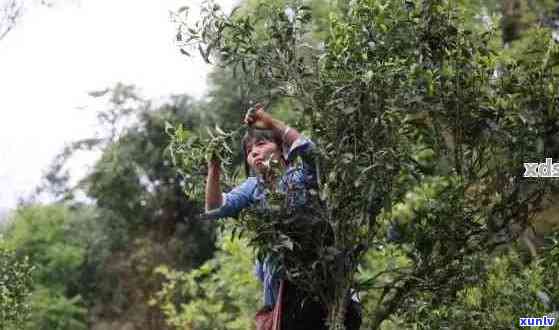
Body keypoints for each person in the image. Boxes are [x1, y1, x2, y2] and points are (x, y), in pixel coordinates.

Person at [203, 104, 361, 329]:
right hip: (286, 290)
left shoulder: (300, 177)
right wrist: (214, 167)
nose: (254, 152)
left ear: (282, 150)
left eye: (261, 143)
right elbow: (214, 208)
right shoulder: (253, 187)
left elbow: (312, 152)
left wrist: (270, 122)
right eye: (249, 151)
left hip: (324, 279)